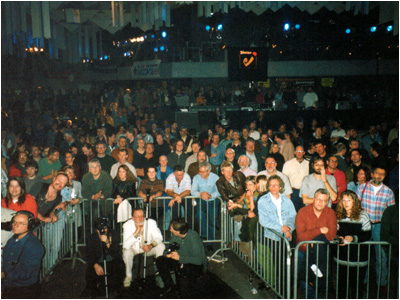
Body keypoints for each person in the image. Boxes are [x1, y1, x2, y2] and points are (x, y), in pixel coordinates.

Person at [356, 166, 395, 294]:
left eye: (382, 174)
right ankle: (362, 280)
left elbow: (392, 213)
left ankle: (382, 284)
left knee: (381, 256)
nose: (379, 176)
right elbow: (355, 207)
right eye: (377, 173)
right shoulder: (362, 188)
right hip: (364, 225)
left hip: (380, 226)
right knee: (362, 254)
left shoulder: (388, 192)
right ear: (372, 174)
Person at [295, 189, 337, 298]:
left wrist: (312, 237)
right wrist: (320, 231)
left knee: (318, 278)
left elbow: (332, 235)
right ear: (313, 199)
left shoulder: (331, 213)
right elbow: (301, 236)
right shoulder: (303, 212)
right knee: (305, 278)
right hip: (303, 251)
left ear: (327, 202)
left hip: (320, 254)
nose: (320, 202)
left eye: (324, 200)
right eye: (318, 199)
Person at [155, 218, 207, 298]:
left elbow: (199, 260)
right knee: (160, 260)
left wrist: (180, 258)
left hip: (194, 265)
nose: (170, 230)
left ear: (178, 231)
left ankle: (184, 292)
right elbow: (169, 249)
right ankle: (169, 285)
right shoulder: (175, 236)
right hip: (180, 260)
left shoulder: (193, 237)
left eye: (171, 228)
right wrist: (167, 254)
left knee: (183, 271)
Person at [334, 190, 371, 299]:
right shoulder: (338, 216)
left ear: (354, 202)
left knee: (357, 288)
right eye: (344, 200)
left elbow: (367, 235)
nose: (346, 203)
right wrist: (338, 238)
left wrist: (353, 238)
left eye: (349, 200)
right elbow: (335, 233)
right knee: (342, 288)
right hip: (342, 258)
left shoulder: (363, 215)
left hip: (358, 259)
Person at [1, 211, 45, 299]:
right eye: (14, 222)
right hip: (9, 285)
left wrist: (4, 274)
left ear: (30, 226)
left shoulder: (35, 246)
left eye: (21, 223)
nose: (15, 225)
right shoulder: (12, 240)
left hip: (25, 289)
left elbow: (27, 273)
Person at [122, 208, 165, 287]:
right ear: (132, 218)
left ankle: (159, 271)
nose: (141, 218)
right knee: (127, 252)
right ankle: (128, 276)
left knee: (161, 246)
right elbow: (126, 245)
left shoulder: (151, 222)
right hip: (134, 249)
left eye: (142, 216)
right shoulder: (127, 225)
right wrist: (135, 234)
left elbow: (159, 238)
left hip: (148, 248)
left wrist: (151, 245)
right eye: (137, 216)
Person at [83, 217, 122, 297]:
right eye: (99, 229)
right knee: (90, 273)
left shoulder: (114, 235)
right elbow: (89, 255)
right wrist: (95, 265)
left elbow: (115, 253)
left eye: (104, 229)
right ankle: (91, 291)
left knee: (120, 268)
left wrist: (107, 242)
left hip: (112, 261)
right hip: (98, 262)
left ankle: (118, 290)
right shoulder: (91, 238)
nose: (101, 231)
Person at [191, 162, 220, 245]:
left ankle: (210, 241)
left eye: (203, 172)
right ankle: (204, 236)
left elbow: (219, 191)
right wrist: (201, 194)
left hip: (213, 200)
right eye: (199, 171)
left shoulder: (215, 177)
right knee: (200, 216)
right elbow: (193, 191)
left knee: (212, 220)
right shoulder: (196, 177)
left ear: (208, 171)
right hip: (201, 199)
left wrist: (210, 196)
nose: (200, 173)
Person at [282, 146, 309, 212]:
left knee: (304, 211)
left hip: (305, 192)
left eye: (301, 151)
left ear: (304, 153)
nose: (299, 153)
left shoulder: (308, 164)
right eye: (297, 151)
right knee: (293, 211)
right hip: (293, 192)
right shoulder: (288, 164)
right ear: (294, 152)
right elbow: (284, 179)